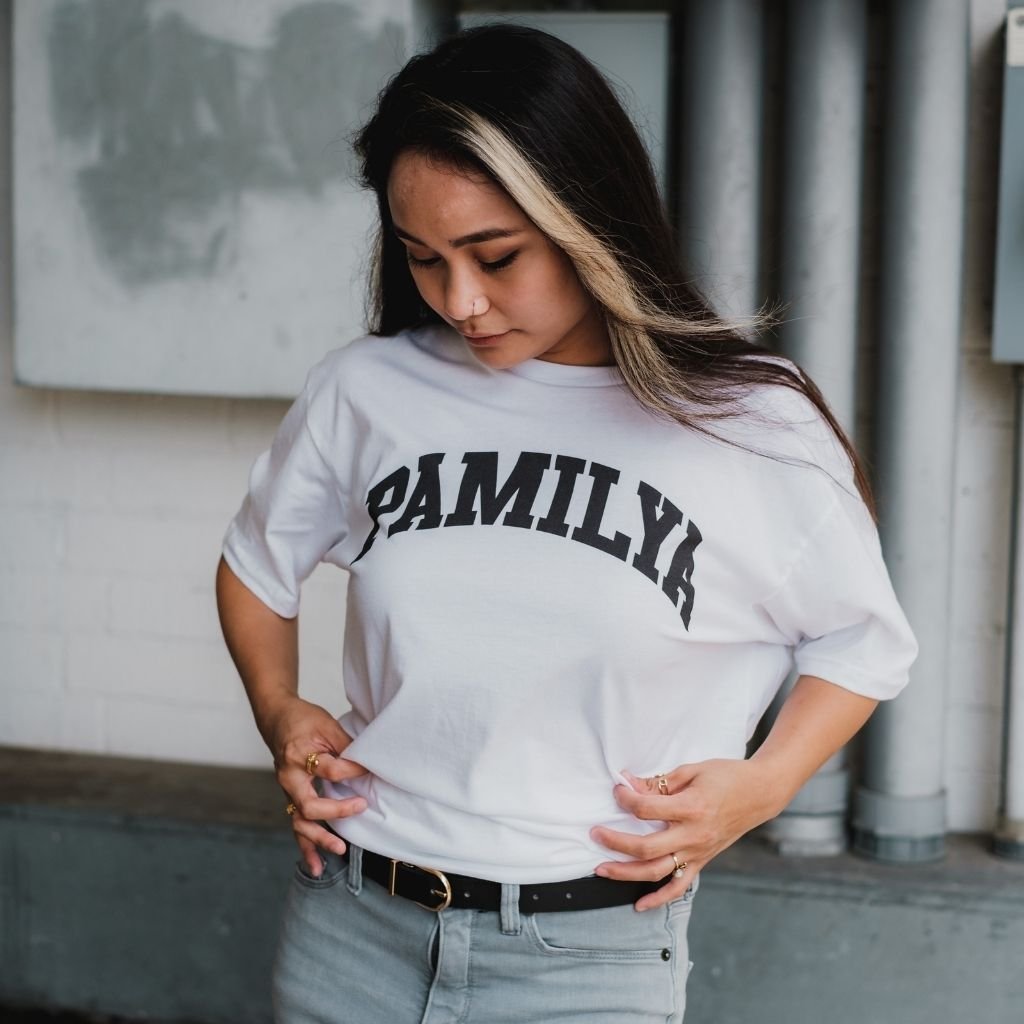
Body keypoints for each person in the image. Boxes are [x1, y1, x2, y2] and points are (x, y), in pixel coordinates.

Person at [215, 23, 917, 1023]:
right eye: (423, 259)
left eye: (495, 256)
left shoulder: (750, 421)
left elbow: (861, 642)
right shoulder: (368, 390)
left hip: (589, 955)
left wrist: (759, 789)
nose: (460, 300)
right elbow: (253, 567)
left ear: (585, 213)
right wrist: (279, 709)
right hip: (351, 924)